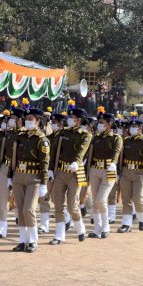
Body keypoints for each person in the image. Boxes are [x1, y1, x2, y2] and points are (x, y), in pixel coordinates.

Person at [49, 104, 91, 245]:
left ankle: (80, 229)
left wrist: (77, 162)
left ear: (79, 120)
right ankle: (59, 235)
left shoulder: (85, 134)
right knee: (58, 204)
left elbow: (82, 150)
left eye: (72, 118)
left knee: (72, 205)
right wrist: (50, 168)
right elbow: (54, 150)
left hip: (75, 172)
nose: (69, 120)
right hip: (60, 171)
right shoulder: (63, 132)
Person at [9, 108, 50, 252]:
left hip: (34, 178)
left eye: (31, 119)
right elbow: (13, 157)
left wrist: (44, 183)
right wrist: (10, 175)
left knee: (29, 209)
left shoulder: (42, 140)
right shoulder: (20, 136)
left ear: (38, 121)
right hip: (19, 175)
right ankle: (22, 240)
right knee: (20, 210)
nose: (27, 121)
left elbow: (45, 163)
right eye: (27, 119)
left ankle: (33, 240)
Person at [87, 112, 122, 238]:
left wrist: (113, 163)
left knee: (101, 200)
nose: (99, 124)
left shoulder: (116, 138)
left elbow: (116, 151)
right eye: (99, 122)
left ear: (109, 124)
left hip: (109, 170)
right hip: (94, 169)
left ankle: (105, 226)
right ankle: (97, 228)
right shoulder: (96, 138)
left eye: (102, 122)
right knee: (95, 201)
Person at [118, 118, 143, 232]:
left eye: (135, 127)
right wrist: (119, 172)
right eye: (131, 127)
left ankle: (142, 219)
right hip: (126, 171)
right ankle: (126, 223)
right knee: (126, 199)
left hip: (139, 172)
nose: (132, 129)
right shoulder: (126, 140)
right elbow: (121, 157)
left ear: (140, 128)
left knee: (138, 198)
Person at [0, 104, 21, 239]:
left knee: (21, 200)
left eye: (15, 118)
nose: (12, 121)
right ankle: (1, 228)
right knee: (1, 199)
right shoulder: (7, 134)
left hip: (22, 170)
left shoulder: (26, 134)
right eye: (11, 118)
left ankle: (24, 226)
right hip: (6, 167)